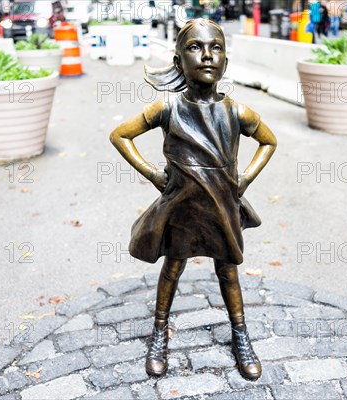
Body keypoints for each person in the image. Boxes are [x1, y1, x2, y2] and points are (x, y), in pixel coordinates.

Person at [109, 19, 277, 380]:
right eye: (195, 48)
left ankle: (240, 334)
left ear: (225, 63)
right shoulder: (167, 108)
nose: (206, 56)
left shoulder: (237, 111)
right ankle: (159, 333)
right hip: (181, 207)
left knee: (227, 271)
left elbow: (269, 141)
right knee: (173, 267)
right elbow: (120, 135)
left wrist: (244, 179)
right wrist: (155, 174)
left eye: (216, 48)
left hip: (222, 206)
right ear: (178, 60)